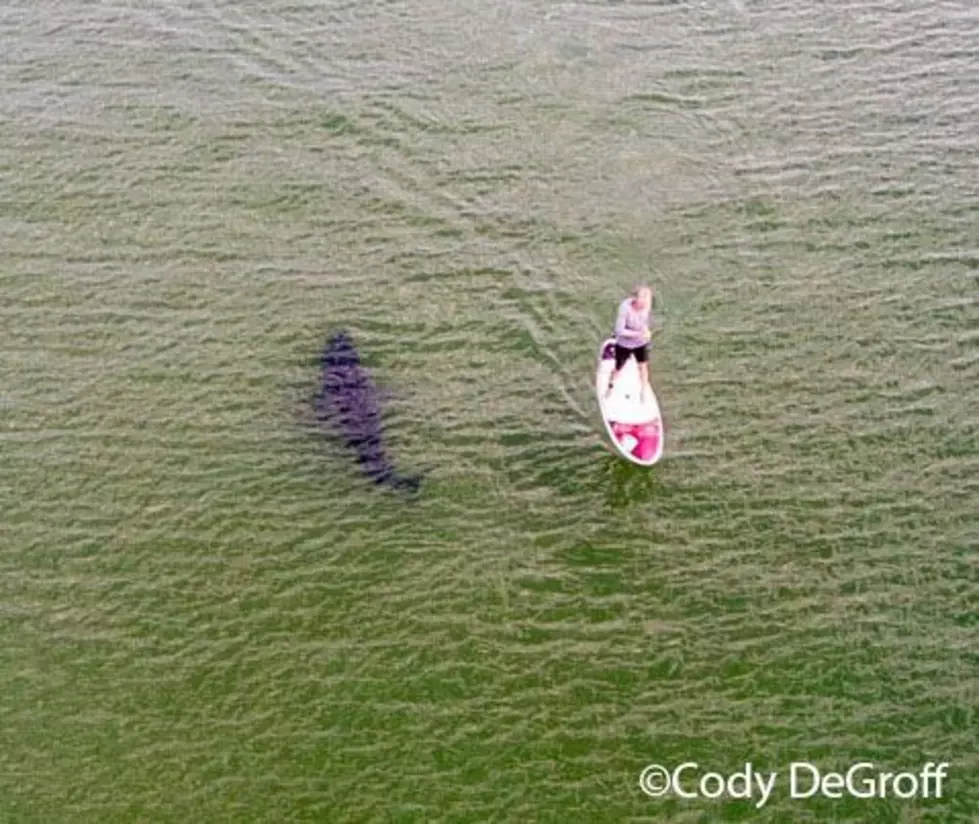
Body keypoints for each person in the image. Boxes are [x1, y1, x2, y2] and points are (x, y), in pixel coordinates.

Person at [606, 285, 653, 399]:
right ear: (635, 299)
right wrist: (638, 334)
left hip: (640, 342)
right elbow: (619, 330)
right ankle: (610, 386)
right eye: (644, 302)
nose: (646, 305)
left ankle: (643, 390)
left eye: (648, 301)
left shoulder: (647, 306)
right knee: (618, 368)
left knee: (643, 366)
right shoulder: (625, 308)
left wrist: (646, 331)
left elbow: (645, 321)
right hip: (624, 343)